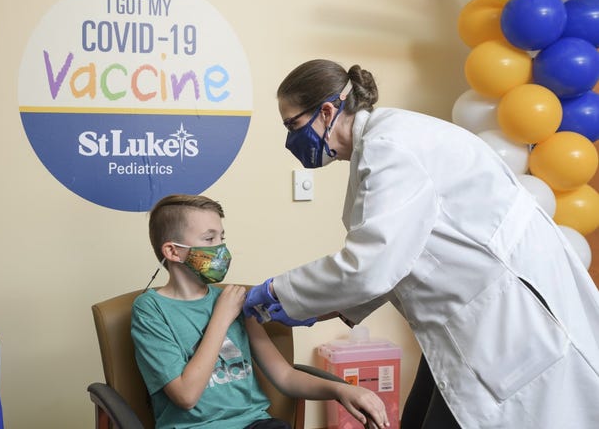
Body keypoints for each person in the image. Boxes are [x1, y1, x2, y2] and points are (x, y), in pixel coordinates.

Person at [243, 59, 599, 428]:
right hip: (463, 320)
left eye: (293, 125)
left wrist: (277, 291)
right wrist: (322, 307)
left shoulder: (391, 147)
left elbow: (372, 265)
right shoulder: (383, 143)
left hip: (503, 322)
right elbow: (402, 256)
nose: (290, 140)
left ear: (328, 110)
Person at [131, 194, 390, 429]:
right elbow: (186, 396)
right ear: (172, 251)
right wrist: (221, 319)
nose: (221, 248)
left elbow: (285, 376)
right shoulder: (150, 310)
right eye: (209, 239)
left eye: (222, 238)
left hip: (256, 424)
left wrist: (342, 390)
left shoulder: (233, 299)